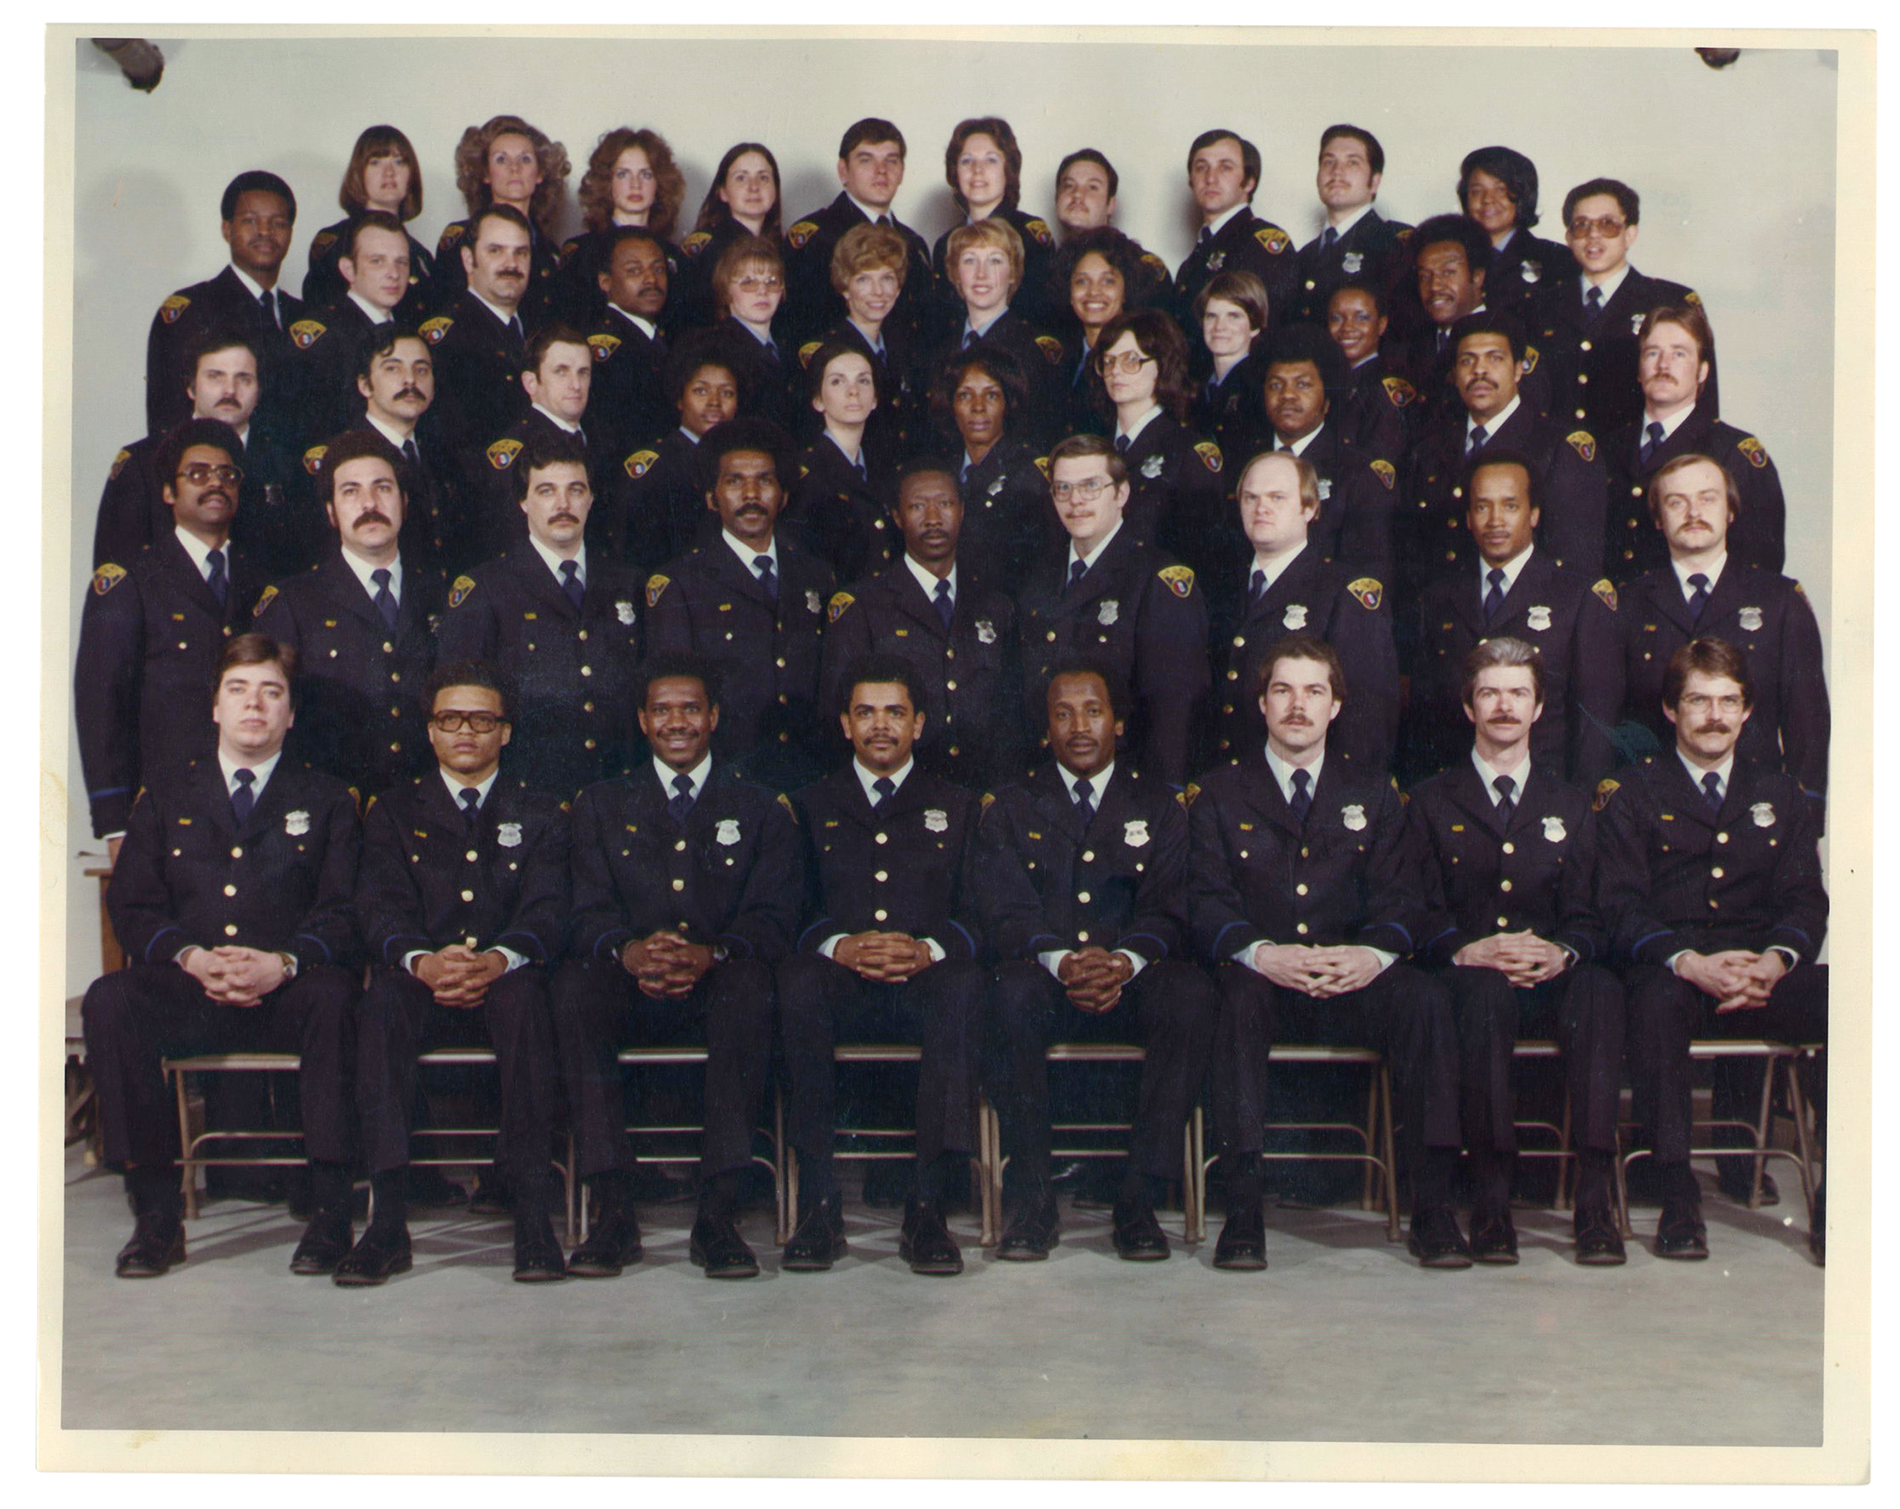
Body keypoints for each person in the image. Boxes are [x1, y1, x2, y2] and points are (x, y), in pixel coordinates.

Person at [81, 633, 361, 1278]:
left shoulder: (326, 799)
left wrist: (283, 962)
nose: (253, 706)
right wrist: (191, 958)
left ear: (291, 713)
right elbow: (135, 908)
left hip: (287, 993)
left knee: (338, 996)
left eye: (271, 692)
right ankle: (155, 1213)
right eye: (238, 690)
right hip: (195, 992)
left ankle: (328, 1210)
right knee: (112, 1000)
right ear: (215, 707)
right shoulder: (167, 794)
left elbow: (344, 910)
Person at [1187, 635, 1469, 1270]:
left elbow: (1403, 901)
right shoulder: (1219, 793)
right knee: (1234, 995)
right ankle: (1242, 1210)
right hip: (1263, 984)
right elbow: (1204, 901)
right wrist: (1260, 954)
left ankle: (1433, 1211)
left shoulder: (1373, 792)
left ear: (1336, 706)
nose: (1298, 705)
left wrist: (1372, 956)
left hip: (1354, 982)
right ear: (1261, 703)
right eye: (1283, 690)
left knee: (1424, 999)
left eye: (1314, 691)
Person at [552, 653, 804, 1280]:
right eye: (661, 710)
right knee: (573, 988)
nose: (677, 723)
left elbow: (774, 918)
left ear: (713, 716)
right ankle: (614, 1209)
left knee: (750, 986)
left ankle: (718, 1212)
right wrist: (628, 949)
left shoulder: (760, 805)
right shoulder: (600, 805)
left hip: (717, 985)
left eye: (690, 708)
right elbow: (582, 912)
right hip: (629, 983)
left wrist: (712, 953)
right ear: (642, 720)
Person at [976, 661, 1219, 1261]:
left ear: (1119, 722)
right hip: (1046, 981)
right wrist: (1061, 963)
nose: (1078, 727)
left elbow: (1170, 908)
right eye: (1062, 714)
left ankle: (1139, 1198)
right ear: (1045, 730)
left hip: (1130, 982)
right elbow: (1005, 912)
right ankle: (1033, 1201)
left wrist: (1125, 963)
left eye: (1092, 711)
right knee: (1005, 994)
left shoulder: (1160, 806)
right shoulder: (1010, 806)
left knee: (1191, 995)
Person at [1595, 638, 1828, 1263]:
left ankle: (1838, 1195)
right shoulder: (1634, 793)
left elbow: (1806, 900)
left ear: (1748, 711)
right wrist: (1690, 963)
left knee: (1846, 1000)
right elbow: (1619, 906)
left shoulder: (1780, 794)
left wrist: (1777, 961)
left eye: (1729, 701)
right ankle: (1677, 1195)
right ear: (1671, 710)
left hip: (1760, 973)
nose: (1715, 715)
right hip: (1678, 973)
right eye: (1699, 700)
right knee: (1651, 1001)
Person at [342, 659, 571, 1284]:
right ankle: (387, 1219)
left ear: (506, 731)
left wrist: (498, 958)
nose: (465, 731)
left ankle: (531, 1216)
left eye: (481, 718)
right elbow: (378, 905)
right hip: (422, 976)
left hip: (505, 974)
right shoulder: (391, 811)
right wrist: (423, 960)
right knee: (379, 1005)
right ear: (430, 730)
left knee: (529, 1002)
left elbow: (550, 907)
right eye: (449, 718)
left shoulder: (543, 809)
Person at [1409, 637, 1628, 1264]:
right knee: (1480, 995)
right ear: (1468, 706)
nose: (1504, 706)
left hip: (1550, 978)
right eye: (1489, 693)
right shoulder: (1428, 801)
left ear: (1538, 710)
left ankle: (1593, 1203)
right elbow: (1414, 909)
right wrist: (1464, 950)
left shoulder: (1572, 805)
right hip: (1469, 984)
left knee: (1602, 990)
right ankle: (1491, 1203)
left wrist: (1564, 952)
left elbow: (1593, 914)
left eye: (1518, 693)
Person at [776, 656, 989, 1276]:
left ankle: (928, 1206)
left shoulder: (961, 804)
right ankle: (819, 1202)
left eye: (895, 712)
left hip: (926, 984)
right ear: (845, 725)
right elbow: (786, 910)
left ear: (919, 724)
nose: (880, 726)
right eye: (865, 712)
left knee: (964, 984)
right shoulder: (810, 805)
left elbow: (984, 914)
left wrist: (929, 949)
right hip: (839, 984)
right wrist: (838, 945)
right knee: (795, 983)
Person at [77, 419, 265, 853]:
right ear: (168, 492)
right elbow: (100, 704)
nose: (215, 483)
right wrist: (113, 824)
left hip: (251, 816)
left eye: (227, 475)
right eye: (197, 474)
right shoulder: (131, 582)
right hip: (159, 818)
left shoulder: (263, 583)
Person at [434, 430, 645, 799]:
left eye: (576, 490)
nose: (563, 503)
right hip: (528, 800)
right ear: (523, 502)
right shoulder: (484, 590)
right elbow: (460, 707)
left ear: (592, 499)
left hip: (620, 795)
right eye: (546, 491)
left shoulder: (628, 583)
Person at [642, 418, 835, 791]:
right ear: (712, 498)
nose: (751, 494)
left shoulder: (817, 577)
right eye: (734, 481)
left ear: (784, 495)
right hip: (729, 782)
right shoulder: (679, 585)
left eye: (764, 480)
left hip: (811, 777)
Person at [1408, 452, 1623, 785]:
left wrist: (1580, 804)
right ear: (1468, 517)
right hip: (1456, 799)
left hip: (1545, 796)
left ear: (1534, 514)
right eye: (1482, 507)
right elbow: (1424, 722)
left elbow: (1594, 723)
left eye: (1510, 506)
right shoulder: (1437, 600)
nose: (1495, 521)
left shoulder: (1577, 597)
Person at [1617, 454, 1827, 795]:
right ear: (1658, 519)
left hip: (1754, 807)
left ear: (1730, 511)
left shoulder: (1779, 601)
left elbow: (1808, 724)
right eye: (1676, 502)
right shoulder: (1626, 604)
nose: (1694, 513)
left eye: (1707, 498)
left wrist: (1806, 819)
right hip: (1651, 809)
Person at [252, 430, 442, 796]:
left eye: (382, 488)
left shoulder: (442, 595)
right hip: (331, 811)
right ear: (331, 512)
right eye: (350, 491)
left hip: (424, 813)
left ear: (404, 503)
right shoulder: (292, 604)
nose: (369, 503)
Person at [1016, 435, 1211, 790]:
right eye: (1063, 488)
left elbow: (1174, 712)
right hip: (1048, 791)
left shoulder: (1157, 580)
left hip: (1127, 791)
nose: (1076, 501)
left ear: (1121, 494)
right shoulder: (1038, 578)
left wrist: (1161, 799)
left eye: (1091, 486)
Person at [819, 460, 1021, 788]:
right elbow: (838, 721)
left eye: (944, 504)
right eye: (916, 506)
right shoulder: (863, 606)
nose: (932, 518)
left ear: (962, 511)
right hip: (901, 794)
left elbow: (1012, 721)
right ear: (897, 517)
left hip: (983, 793)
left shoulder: (996, 606)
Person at [1208, 451, 1398, 772]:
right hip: (1227, 783)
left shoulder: (1343, 592)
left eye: (1277, 497)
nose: (1261, 508)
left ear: (1309, 508)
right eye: (1250, 498)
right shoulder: (1220, 586)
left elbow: (1366, 716)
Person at [1401, 311, 1606, 598]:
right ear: (1455, 375)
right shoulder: (1430, 446)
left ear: (1519, 369)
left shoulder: (1559, 446)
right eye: (1467, 361)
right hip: (1451, 618)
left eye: (1494, 358)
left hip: (1532, 618)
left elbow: (1575, 565)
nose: (1479, 371)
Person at [95, 332, 301, 580]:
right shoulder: (141, 462)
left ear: (259, 390)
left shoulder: (287, 465)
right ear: (191, 387)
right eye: (215, 377)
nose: (230, 391)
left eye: (243, 379)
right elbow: (116, 572)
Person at [1602, 303, 1785, 579]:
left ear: (1702, 372)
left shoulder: (1733, 453)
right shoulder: (1606, 447)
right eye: (1653, 353)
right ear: (1639, 370)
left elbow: (1760, 565)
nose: (1663, 365)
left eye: (1679, 353)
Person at [1531, 177, 1707, 438]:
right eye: (1581, 225)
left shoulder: (1671, 301)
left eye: (1607, 225)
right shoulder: (1537, 307)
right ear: (1568, 237)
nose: (1593, 235)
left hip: (1636, 462)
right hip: (1558, 464)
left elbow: (1702, 396)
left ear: (1630, 234)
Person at [145, 170, 304, 439]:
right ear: (227, 229)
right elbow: (168, 422)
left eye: (278, 223)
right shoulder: (190, 311)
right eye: (250, 221)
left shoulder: (305, 316)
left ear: (290, 233)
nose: (265, 232)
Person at [1245, 323, 1400, 584]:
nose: (1288, 396)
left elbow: (1369, 578)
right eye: (1275, 385)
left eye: (1303, 385)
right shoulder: (1244, 463)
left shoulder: (1358, 473)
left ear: (1327, 399)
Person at [1088, 309, 1227, 577]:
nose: (1116, 371)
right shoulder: (1094, 445)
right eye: (1108, 361)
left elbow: (1202, 559)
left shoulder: (1188, 451)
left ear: (1162, 365)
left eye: (1131, 360)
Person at [783, 118, 936, 350]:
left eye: (891, 161)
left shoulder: (914, 243)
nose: (881, 170)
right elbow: (798, 332)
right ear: (843, 171)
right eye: (866, 160)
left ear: (902, 172)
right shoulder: (816, 239)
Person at [606, 334, 741, 572]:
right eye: (701, 391)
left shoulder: (741, 464)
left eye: (726, 393)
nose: (714, 403)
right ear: (680, 398)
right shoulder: (655, 468)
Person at [285, 213, 412, 452]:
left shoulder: (408, 333)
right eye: (377, 261)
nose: (393, 273)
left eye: (401, 262)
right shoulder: (323, 336)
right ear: (348, 269)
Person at [932, 347, 1053, 598]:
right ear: (951, 404)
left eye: (992, 396)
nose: (978, 407)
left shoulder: (1029, 473)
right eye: (965, 395)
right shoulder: (940, 471)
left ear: (1009, 403)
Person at [422, 205, 534, 474]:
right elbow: (451, 450)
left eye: (521, 253)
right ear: (468, 259)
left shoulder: (538, 328)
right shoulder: (446, 340)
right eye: (495, 251)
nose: (511, 264)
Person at [431, 115, 569, 328]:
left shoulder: (551, 252)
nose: (514, 168)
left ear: (540, 173)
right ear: (485, 173)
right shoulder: (460, 237)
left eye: (525, 159)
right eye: (501, 159)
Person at [475, 324, 598, 563]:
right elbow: (511, 542)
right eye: (561, 372)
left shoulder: (601, 439)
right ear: (531, 383)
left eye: (583, 372)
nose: (575, 384)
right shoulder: (515, 450)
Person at [938, 218, 1065, 447]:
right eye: (969, 261)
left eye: (994, 261)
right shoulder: (942, 347)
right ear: (955, 273)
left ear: (1013, 273)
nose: (981, 274)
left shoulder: (1033, 350)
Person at [347, 327, 464, 574]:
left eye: (421, 369)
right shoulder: (346, 457)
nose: (410, 380)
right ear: (365, 385)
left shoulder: (445, 454)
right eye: (393, 368)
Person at [803, 222, 924, 455]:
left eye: (887, 278)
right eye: (863, 280)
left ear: (898, 287)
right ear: (845, 288)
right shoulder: (827, 350)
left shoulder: (904, 344)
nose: (878, 291)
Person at [932, 117, 1061, 330]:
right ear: (955, 171)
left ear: (1008, 169)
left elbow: (1040, 317)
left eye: (990, 160)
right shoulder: (944, 244)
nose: (977, 170)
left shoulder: (1029, 234)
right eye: (966, 161)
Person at [1172, 130, 1297, 349]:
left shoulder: (1261, 246)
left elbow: (1269, 334)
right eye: (1201, 167)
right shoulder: (1193, 260)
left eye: (1225, 167)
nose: (1210, 178)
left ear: (1249, 181)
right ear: (1191, 181)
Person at [784, 342, 895, 585]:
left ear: (875, 398)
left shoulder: (884, 466)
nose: (853, 391)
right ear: (818, 400)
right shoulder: (805, 473)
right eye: (837, 381)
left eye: (863, 380)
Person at [556, 126, 686, 330]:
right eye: (623, 174)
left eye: (646, 174)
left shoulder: (675, 256)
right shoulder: (582, 252)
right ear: (607, 182)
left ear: (659, 183)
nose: (636, 185)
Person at [301, 125, 436, 319]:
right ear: (358, 172)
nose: (389, 172)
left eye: (399, 162)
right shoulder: (335, 243)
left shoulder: (421, 256)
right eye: (375, 162)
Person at [1290, 125, 1410, 327]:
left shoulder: (1394, 244)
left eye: (1352, 162)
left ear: (1374, 182)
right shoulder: (1303, 256)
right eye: (1329, 162)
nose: (1337, 171)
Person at [1051, 227, 1164, 438]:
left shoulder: (1145, 356)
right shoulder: (1060, 358)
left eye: (1108, 281)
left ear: (1126, 290)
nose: (1094, 292)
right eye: (1082, 281)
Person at [585, 225, 674, 465]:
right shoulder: (606, 350)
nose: (651, 280)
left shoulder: (658, 338)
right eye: (634, 271)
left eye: (658, 269)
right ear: (605, 281)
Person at [1393, 213, 1495, 416]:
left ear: (1477, 277)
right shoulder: (1410, 348)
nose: (1434, 286)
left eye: (1448, 272)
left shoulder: (1506, 340)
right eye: (1424, 276)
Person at [675, 142, 784, 330]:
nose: (754, 187)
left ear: (775, 189)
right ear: (723, 192)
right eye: (741, 178)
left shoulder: (782, 248)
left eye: (763, 178)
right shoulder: (707, 249)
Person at [1456, 146, 1572, 314]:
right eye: (1477, 191)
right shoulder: (1452, 259)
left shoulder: (1557, 259)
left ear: (1522, 196)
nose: (1487, 199)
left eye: (1501, 189)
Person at [708, 235, 795, 430]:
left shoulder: (786, 347)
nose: (762, 291)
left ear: (781, 290)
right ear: (726, 289)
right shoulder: (718, 349)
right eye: (748, 282)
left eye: (772, 282)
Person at [1326, 279, 1415, 459]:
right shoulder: (1327, 379)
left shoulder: (1387, 387)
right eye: (1337, 318)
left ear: (1381, 325)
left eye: (1361, 318)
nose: (1347, 328)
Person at [1190, 270, 1269, 461]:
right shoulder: (1196, 384)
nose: (1219, 327)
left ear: (1255, 326)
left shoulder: (1260, 387)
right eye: (1211, 316)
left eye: (1233, 316)